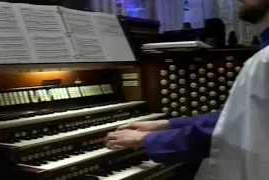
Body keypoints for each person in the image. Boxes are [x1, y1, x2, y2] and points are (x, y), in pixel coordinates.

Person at [104, 0, 269, 179]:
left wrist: (146, 139)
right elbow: (232, 120)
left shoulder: (264, 60)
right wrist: (165, 124)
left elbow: (227, 133)